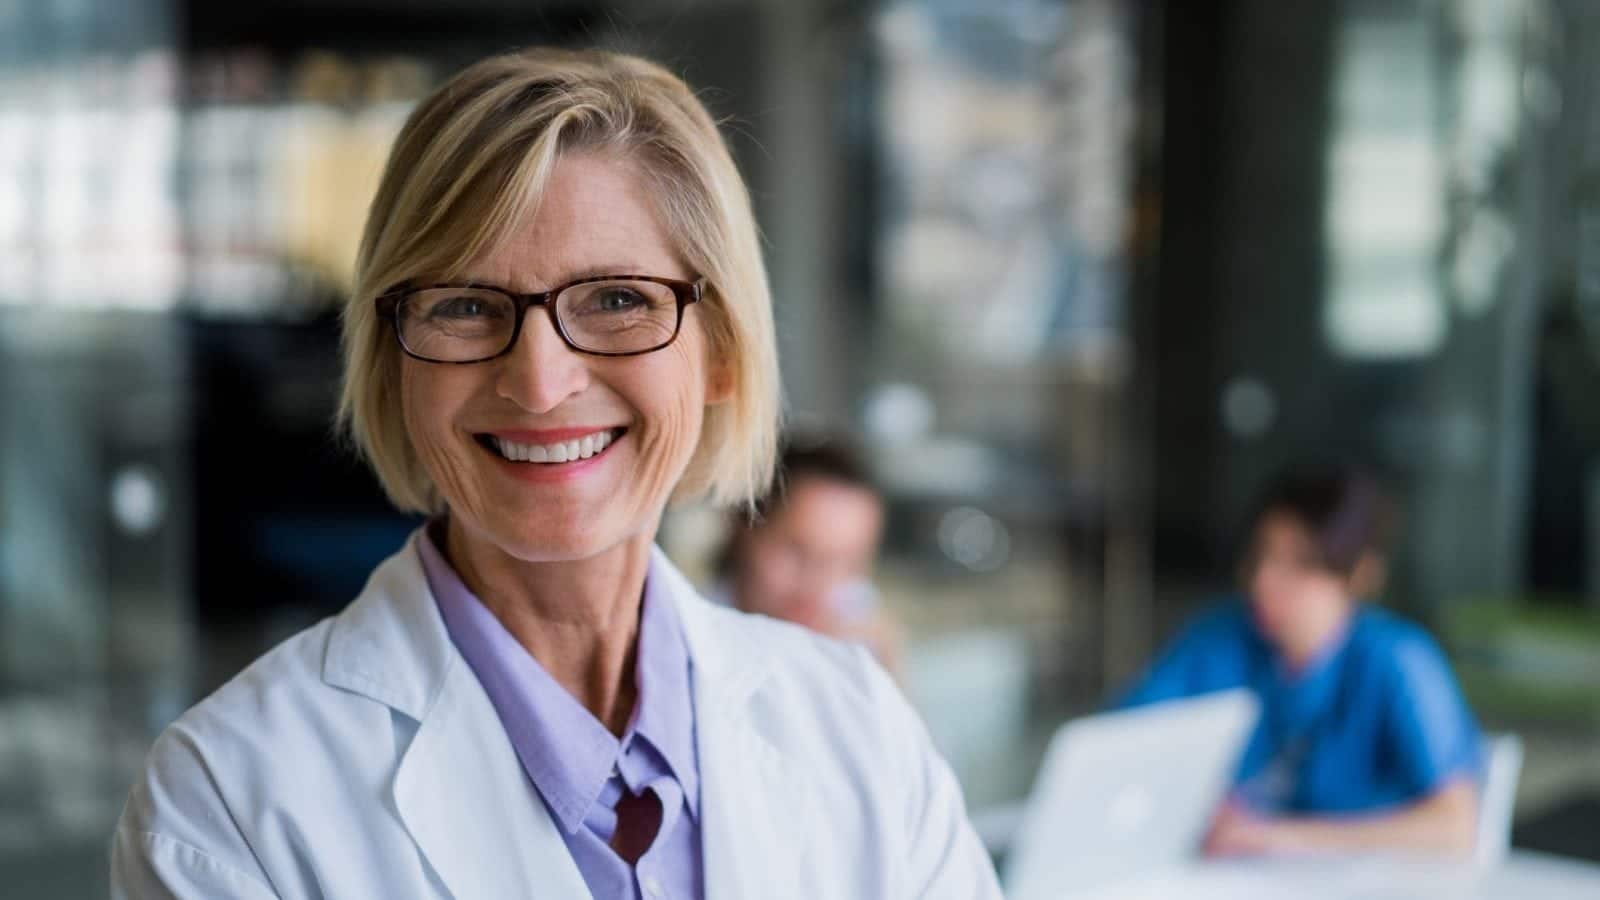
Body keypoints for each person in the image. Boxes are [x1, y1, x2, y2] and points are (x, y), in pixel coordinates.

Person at [112, 48, 999, 899]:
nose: (540, 383)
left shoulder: (861, 731)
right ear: (393, 361)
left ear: (721, 350)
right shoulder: (228, 804)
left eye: (617, 299)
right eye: (466, 305)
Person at [1117, 466, 1484, 857]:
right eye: (1260, 556)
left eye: (1299, 563)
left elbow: (1455, 827)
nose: (1264, 581)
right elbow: (1119, 746)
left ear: (1359, 573)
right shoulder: (1217, 639)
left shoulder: (1400, 661)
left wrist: (1273, 836)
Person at [715, 435, 901, 674]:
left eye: (846, 563)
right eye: (799, 551)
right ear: (743, 529)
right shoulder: (690, 634)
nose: (818, 582)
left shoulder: (862, 632)